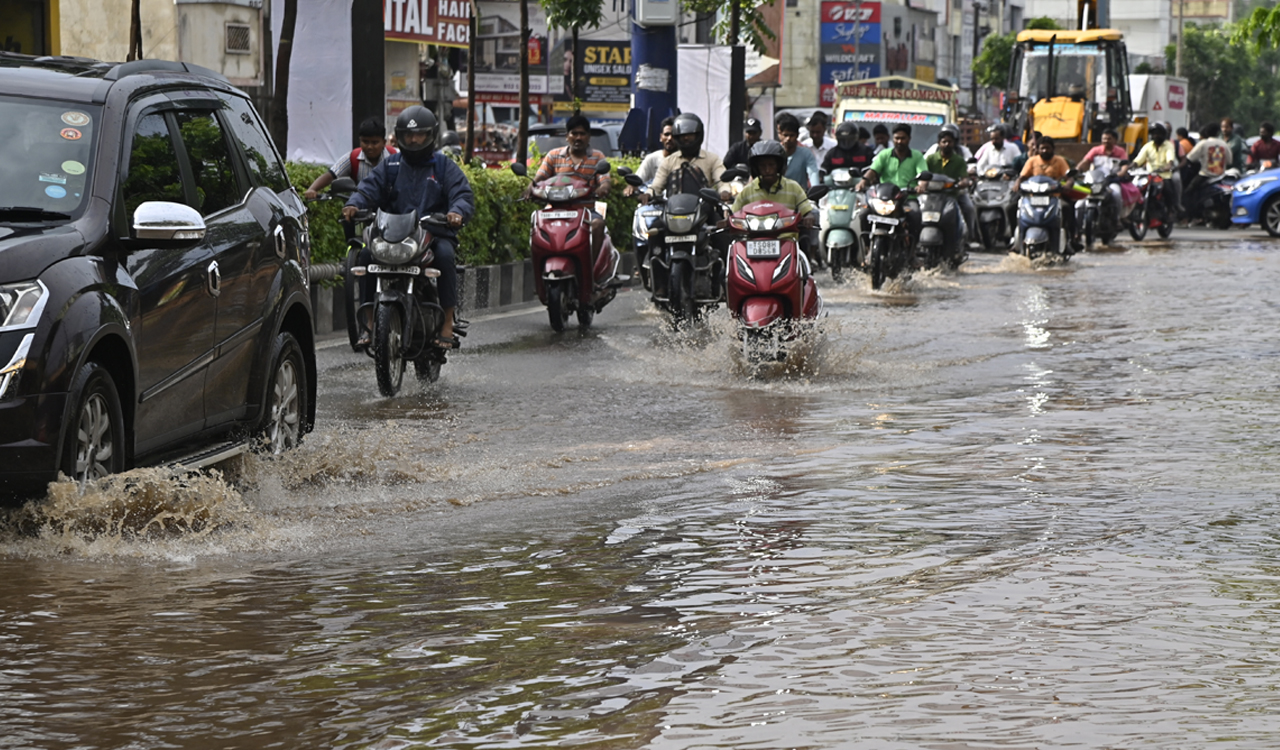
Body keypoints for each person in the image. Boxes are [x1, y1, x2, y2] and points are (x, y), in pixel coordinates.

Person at [343, 106, 473, 349]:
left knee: (445, 256)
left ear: (430, 135)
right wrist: (354, 204)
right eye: (409, 135)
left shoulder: (444, 166)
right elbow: (368, 188)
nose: (414, 140)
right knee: (366, 254)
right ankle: (370, 322)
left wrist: (456, 212)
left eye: (420, 134)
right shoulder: (391, 165)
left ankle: (446, 322)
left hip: (433, 234)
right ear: (400, 136)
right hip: (393, 235)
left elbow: (462, 194)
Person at [530, 113, 614, 262]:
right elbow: (538, 179)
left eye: (582, 134)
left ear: (588, 137)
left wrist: (603, 188)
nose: (578, 138)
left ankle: (590, 267)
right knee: (536, 225)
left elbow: (605, 181)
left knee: (598, 225)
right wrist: (529, 189)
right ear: (567, 136)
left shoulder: (597, 157)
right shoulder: (553, 156)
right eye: (574, 133)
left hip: (586, 211)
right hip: (554, 212)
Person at [730, 140, 817, 247]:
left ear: (779, 166)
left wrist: (809, 216)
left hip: (787, 243)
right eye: (762, 166)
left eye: (771, 165)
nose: (767, 170)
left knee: (805, 247)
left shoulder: (793, 187)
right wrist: (726, 220)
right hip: (754, 244)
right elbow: (733, 214)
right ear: (756, 168)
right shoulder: (747, 191)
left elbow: (806, 210)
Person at [856, 123, 928, 241]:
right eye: (897, 138)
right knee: (864, 213)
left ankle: (912, 251)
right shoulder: (884, 154)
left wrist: (921, 186)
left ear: (909, 139)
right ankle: (868, 248)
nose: (899, 141)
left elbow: (923, 176)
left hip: (906, 199)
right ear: (892, 139)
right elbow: (873, 170)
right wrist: (863, 181)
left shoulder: (917, 156)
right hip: (883, 199)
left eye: (903, 138)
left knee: (915, 214)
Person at [1014, 135, 1081, 251]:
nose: (1045, 150)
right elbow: (1022, 176)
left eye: (1048, 148)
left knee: (1067, 208)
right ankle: (1014, 239)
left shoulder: (1059, 161)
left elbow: (1069, 177)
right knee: (1012, 207)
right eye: (1042, 148)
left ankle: (1070, 239)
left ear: (1053, 149)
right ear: (1038, 149)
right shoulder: (1032, 161)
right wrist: (1017, 184)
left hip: (1053, 197)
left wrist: (1068, 184)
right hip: (1032, 197)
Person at [305, 117, 397, 200]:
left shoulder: (396, 157)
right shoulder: (353, 158)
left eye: (375, 142)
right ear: (360, 141)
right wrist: (312, 189)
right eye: (365, 142)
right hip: (360, 209)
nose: (369, 147)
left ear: (384, 142)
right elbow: (331, 175)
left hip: (390, 212)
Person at [647, 112, 729, 200]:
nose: (686, 138)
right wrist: (648, 194)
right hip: (673, 210)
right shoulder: (668, 161)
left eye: (690, 135)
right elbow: (656, 186)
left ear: (698, 135)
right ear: (677, 137)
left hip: (704, 209)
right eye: (682, 135)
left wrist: (724, 192)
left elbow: (723, 182)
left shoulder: (712, 159)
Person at [925, 128, 977, 246]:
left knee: (969, 207)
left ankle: (970, 236)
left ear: (955, 142)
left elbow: (965, 176)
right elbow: (923, 172)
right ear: (939, 143)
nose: (947, 144)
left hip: (954, 193)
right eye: (944, 142)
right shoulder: (931, 158)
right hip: (933, 194)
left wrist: (963, 182)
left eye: (950, 141)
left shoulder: (959, 159)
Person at [1121, 122, 1182, 221]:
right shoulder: (1148, 146)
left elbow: (1170, 159)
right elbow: (1138, 160)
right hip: (1149, 176)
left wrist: (1167, 166)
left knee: (1168, 190)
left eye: (1158, 133)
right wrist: (1130, 167)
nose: (1156, 136)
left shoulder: (1168, 145)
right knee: (1137, 188)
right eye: (1154, 134)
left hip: (1163, 175)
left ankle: (1171, 210)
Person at [1077, 128, 1132, 223]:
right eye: (1104, 138)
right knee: (1079, 204)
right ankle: (1077, 227)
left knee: (1116, 194)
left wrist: (1119, 174)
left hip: (1111, 181)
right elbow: (1085, 162)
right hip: (1095, 182)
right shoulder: (1095, 150)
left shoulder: (1120, 152)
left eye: (1109, 138)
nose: (1106, 141)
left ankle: (1116, 219)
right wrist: (1077, 170)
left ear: (1115, 140)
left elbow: (1124, 167)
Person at [1181, 121, 1230, 213]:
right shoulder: (1224, 144)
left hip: (1205, 175)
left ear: (1206, 133)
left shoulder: (1203, 143)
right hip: (1221, 175)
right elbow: (1230, 160)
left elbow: (1190, 158)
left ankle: (1188, 215)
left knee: (1188, 192)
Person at [625, 116, 675, 196]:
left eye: (674, 135)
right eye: (666, 134)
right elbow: (639, 179)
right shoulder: (652, 158)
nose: (669, 138)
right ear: (661, 137)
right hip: (654, 204)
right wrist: (631, 187)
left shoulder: (685, 160)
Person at [775, 112, 820, 190]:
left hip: (799, 198)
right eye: (785, 135)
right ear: (780, 134)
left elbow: (813, 174)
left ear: (797, 135)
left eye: (792, 135)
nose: (788, 139)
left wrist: (816, 191)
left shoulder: (806, 153)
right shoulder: (773, 153)